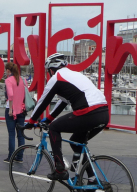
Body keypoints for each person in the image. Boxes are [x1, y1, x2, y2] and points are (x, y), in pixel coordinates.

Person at [24, 53, 109, 181]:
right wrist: (47, 119)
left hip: (88, 112)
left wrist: (31, 122)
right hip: (103, 113)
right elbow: (62, 102)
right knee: (77, 142)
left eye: (49, 72)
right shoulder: (74, 75)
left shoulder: (56, 77)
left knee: (54, 128)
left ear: (51, 70)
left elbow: (43, 101)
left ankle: (60, 169)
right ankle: (92, 179)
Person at [3, 62, 27, 163]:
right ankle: (20, 157)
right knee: (20, 134)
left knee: (11, 134)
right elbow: (26, 93)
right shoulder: (23, 80)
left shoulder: (8, 80)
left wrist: (11, 109)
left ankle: (11, 156)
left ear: (8, 71)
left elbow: (10, 95)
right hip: (22, 109)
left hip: (11, 110)